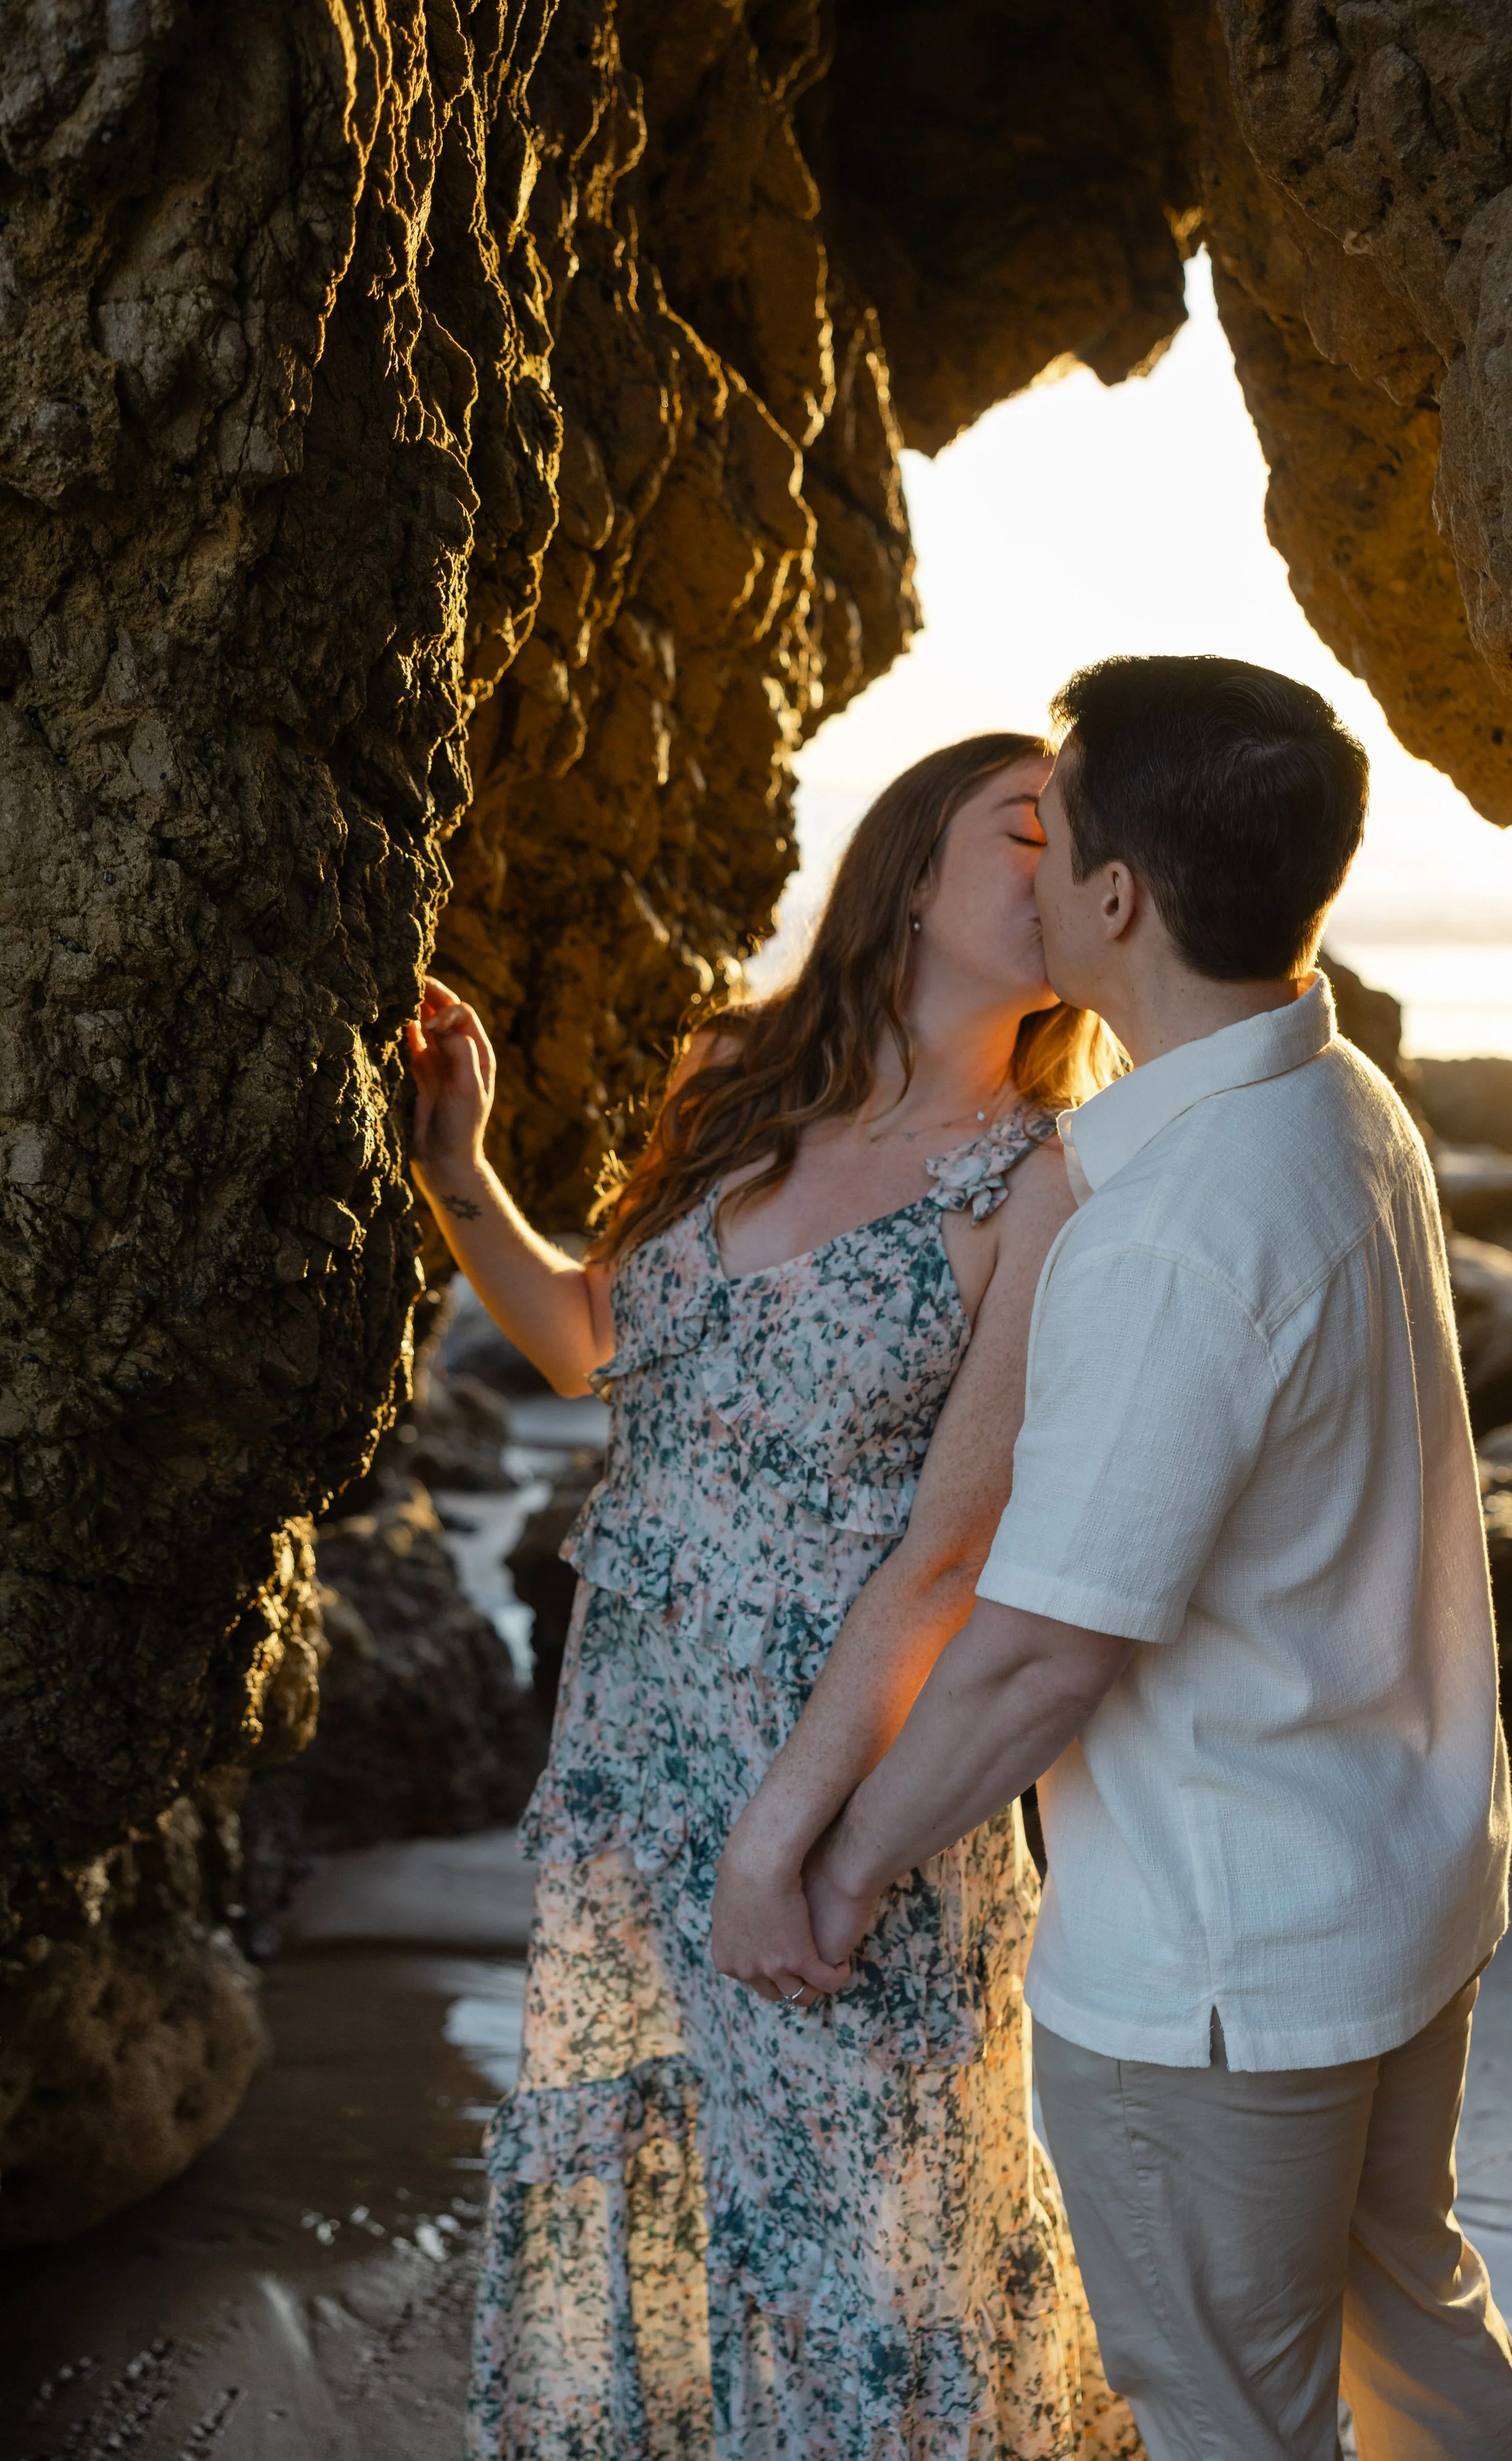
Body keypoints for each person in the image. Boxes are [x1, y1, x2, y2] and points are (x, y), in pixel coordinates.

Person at [741, 657, 1512, 2461]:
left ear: (1115, 898)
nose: (1027, 873)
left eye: (1056, 829)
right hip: (1401, 1884)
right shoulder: (1338, 1104)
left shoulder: (1173, 1222)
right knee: (1415, 2330)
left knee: (1232, 2416)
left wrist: (843, 1868)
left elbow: (1041, 1650)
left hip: (1224, 1960)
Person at [406, 734, 1144, 2459]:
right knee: (669, 2188)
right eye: (1021, 827)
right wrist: (459, 1164)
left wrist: (793, 1839)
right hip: (629, 1744)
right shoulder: (732, 1072)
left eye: (1081, 847)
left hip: (846, 1769)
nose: (1057, 867)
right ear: (902, 867)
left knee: (867, 2240)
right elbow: (605, 1341)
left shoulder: (1045, 1180)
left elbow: (950, 1552)